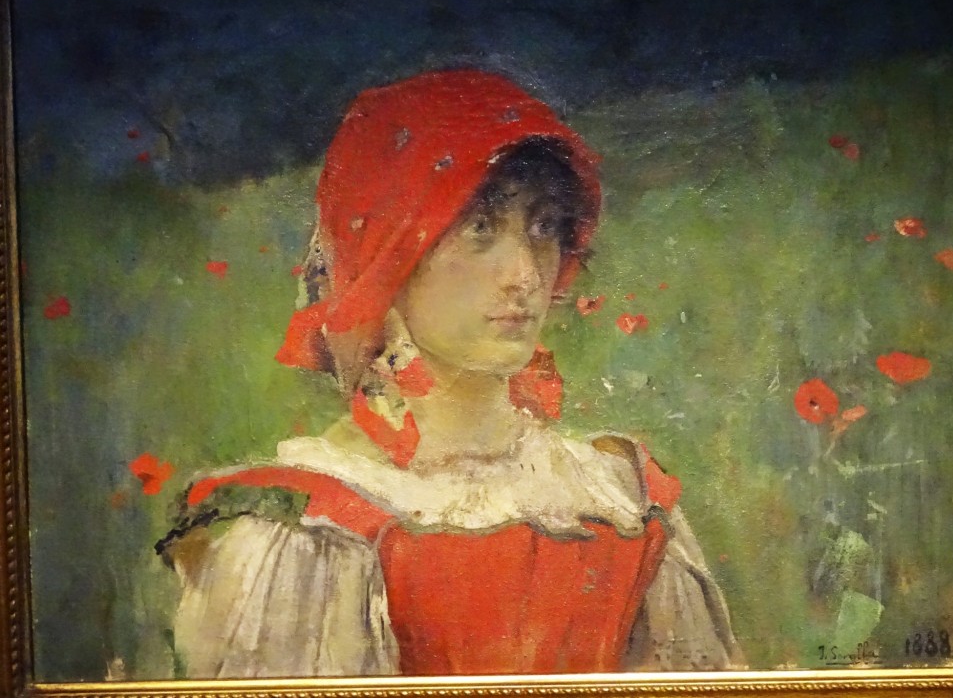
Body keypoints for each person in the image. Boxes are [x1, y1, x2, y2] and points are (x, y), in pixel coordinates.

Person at [158, 69, 742, 678]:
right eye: (479, 229)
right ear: (388, 257)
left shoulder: (618, 494)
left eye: (544, 227)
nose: (525, 276)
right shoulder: (313, 523)